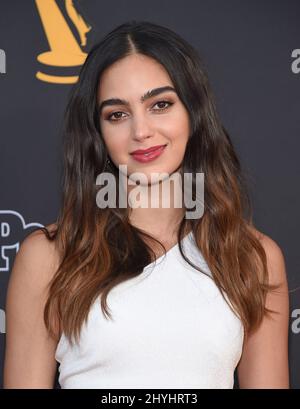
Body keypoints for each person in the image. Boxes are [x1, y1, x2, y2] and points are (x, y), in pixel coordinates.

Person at [3, 20, 289, 389]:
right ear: (97, 133)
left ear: (194, 113)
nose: (141, 131)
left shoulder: (253, 257)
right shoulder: (50, 255)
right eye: (117, 114)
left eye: (160, 105)